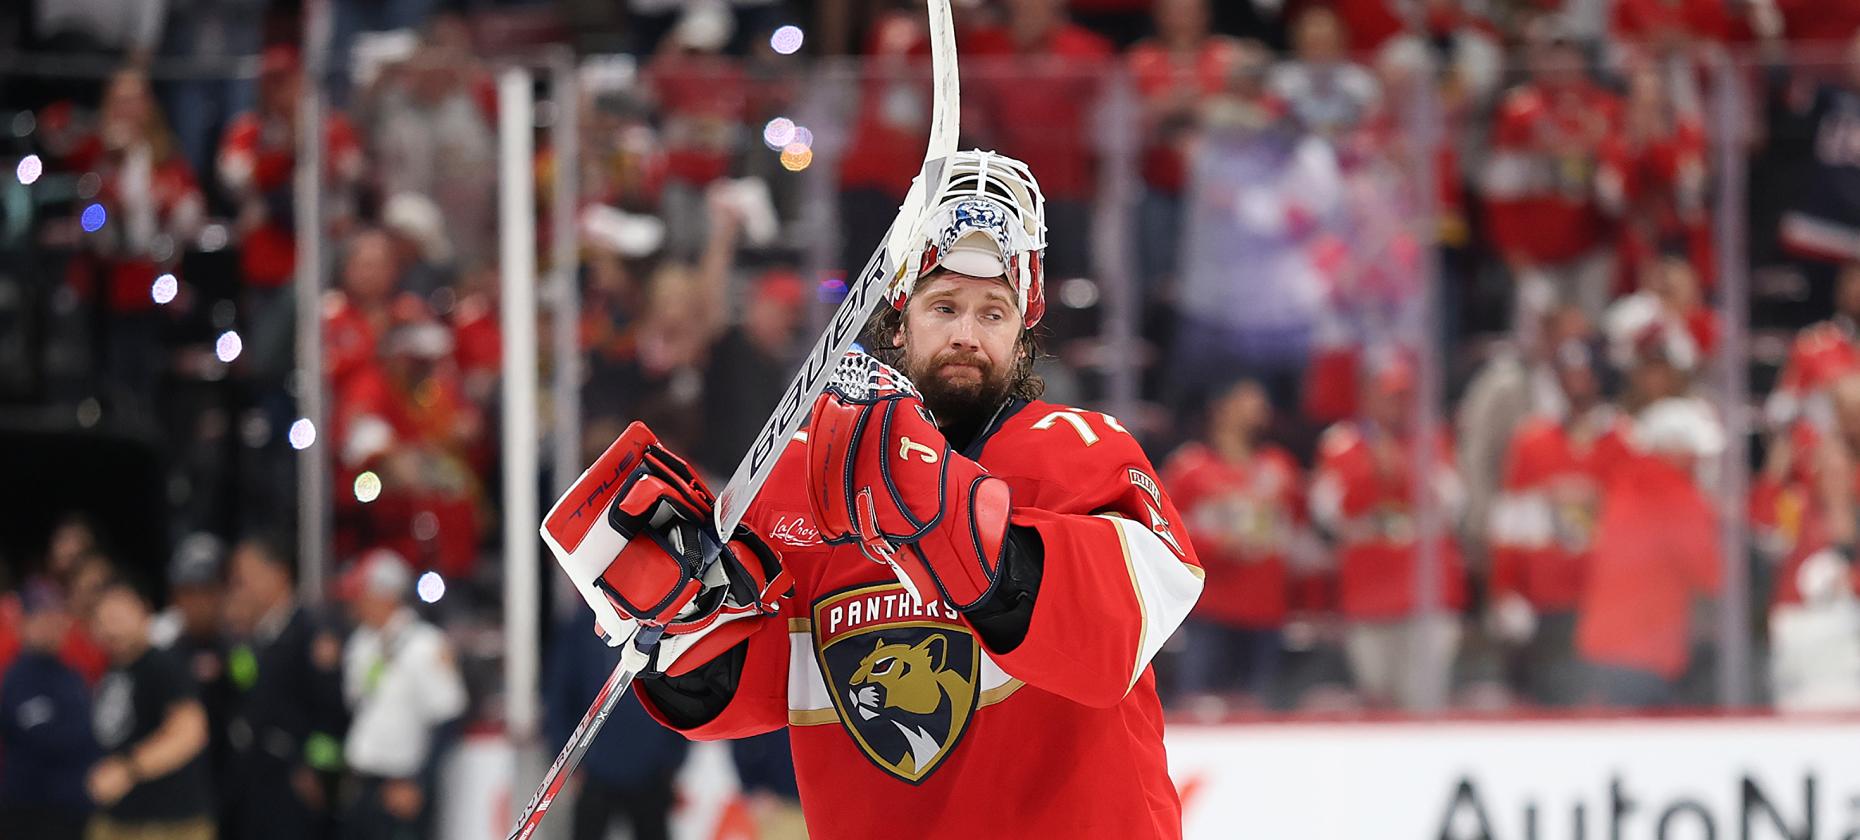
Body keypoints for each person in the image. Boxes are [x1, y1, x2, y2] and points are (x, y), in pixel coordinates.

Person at [544, 150, 1204, 838]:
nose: (966, 335)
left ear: (1022, 333)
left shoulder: (1083, 451)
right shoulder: (806, 479)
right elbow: (753, 691)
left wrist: (951, 515)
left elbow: (1114, 634)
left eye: (993, 313)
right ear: (899, 320)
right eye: (944, 306)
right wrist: (685, 633)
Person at [1309, 356, 1466, 710]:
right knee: (1376, 697)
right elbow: (1327, 512)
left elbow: (1454, 503)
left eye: (1403, 396)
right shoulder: (1341, 443)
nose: (1398, 405)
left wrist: (1405, 470)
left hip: (1427, 594)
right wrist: (1370, 475)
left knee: (1423, 700)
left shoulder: (1432, 440)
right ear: (1367, 395)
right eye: (1388, 394)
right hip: (1368, 592)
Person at [1161, 380, 1309, 708]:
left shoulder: (1279, 465)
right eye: (1249, 400)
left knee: (1261, 708)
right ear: (1222, 408)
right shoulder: (1190, 467)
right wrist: (1218, 544)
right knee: (1200, 705)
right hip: (1212, 608)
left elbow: (1297, 527)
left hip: (1267, 606)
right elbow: (1165, 532)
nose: (1259, 409)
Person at [223, 536, 347, 840]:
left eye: (246, 576)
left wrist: (317, 773)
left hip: (295, 777)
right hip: (255, 775)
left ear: (278, 574)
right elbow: (248, 690)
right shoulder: (257, 633)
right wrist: (237, 637)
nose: (240, 587)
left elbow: (331, 709)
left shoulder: (312, 631)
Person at [338, 549, 466, 840]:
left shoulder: (425, 645)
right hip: (361, 782)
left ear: (387, 595)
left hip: (400, 786)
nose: (357, 602)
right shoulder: (361, 643)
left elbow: (448, 719)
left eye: (364, 593)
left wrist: (419, 784)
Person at [86, 581, 214, 840]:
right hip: (120, 819)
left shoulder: (162, 663)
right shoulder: (114, 668)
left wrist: (128, 769)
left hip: (167, 824)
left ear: (143, 612)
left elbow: (190, 732)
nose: (112, 628)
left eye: (119, 617)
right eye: (104, 620)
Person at [542, 611, 688, 840]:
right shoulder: (578, 632)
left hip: (650, 771)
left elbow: (680, 693)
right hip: (594, 770)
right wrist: (567, 764)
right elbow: (558, 698)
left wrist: (673, 759)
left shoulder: (661, 623)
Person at [149, 533, 234, 833]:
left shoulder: (239, 648)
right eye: (189, 592)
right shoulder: (162, 651)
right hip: (179, 796)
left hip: (231, 787)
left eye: (206, 591)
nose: (197, 602)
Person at [0, 580, 97, 840]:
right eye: (41, 616)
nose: (51, 624)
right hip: (30, 814)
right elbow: (45, 737)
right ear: (24, 624)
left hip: (74, 812)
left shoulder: (72, 673)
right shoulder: (17, 678)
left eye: (56, 615)